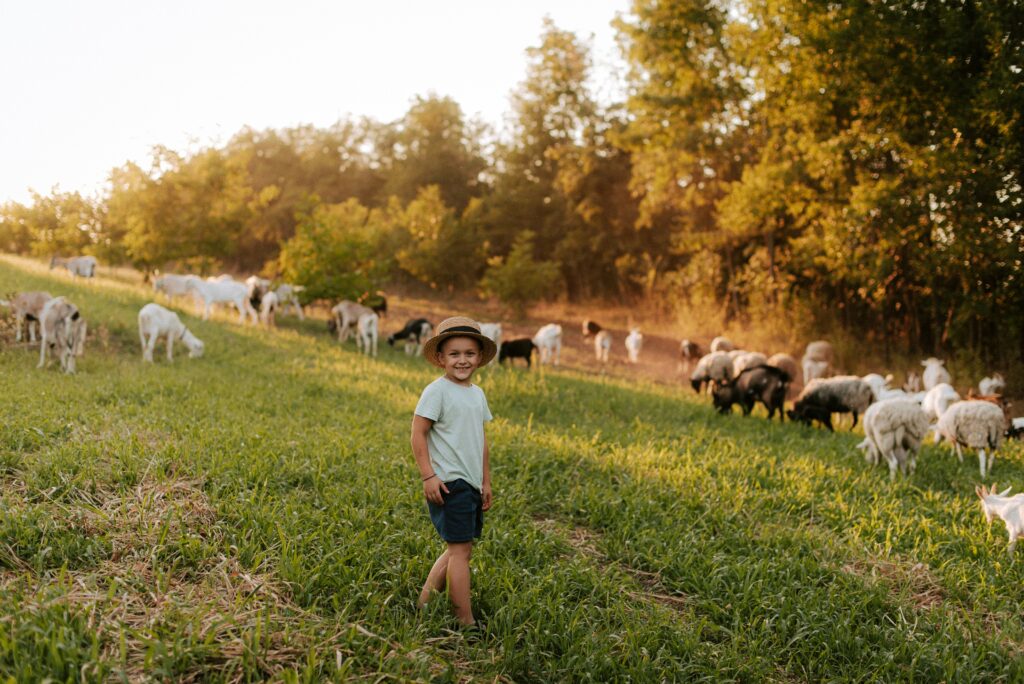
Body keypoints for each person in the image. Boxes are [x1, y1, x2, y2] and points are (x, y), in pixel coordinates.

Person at [411, 316, 497, 626]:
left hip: (470, 484)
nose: (463, 360)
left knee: (456, 549)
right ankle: (465, 621)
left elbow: (481, 440)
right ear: (440, 357)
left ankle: (423, 603)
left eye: (469, 354)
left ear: (479, 357)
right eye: (455, 354)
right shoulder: (437, 391)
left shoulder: (476, 394)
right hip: (449, 484)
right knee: (461, 553)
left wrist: (485, 481)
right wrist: (428, 475)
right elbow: (417, 433)